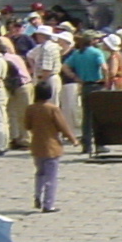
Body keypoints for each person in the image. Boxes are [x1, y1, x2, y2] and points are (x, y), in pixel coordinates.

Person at [23, 80, 75, 213]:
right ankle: (48, 204)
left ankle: (37, 196)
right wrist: (73, 139)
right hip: (52, 147)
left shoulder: (30, 108)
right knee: (51, 177)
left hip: (36, 146)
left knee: (40, 174)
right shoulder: (53, 109)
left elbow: (27, 125)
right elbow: (62, 126)